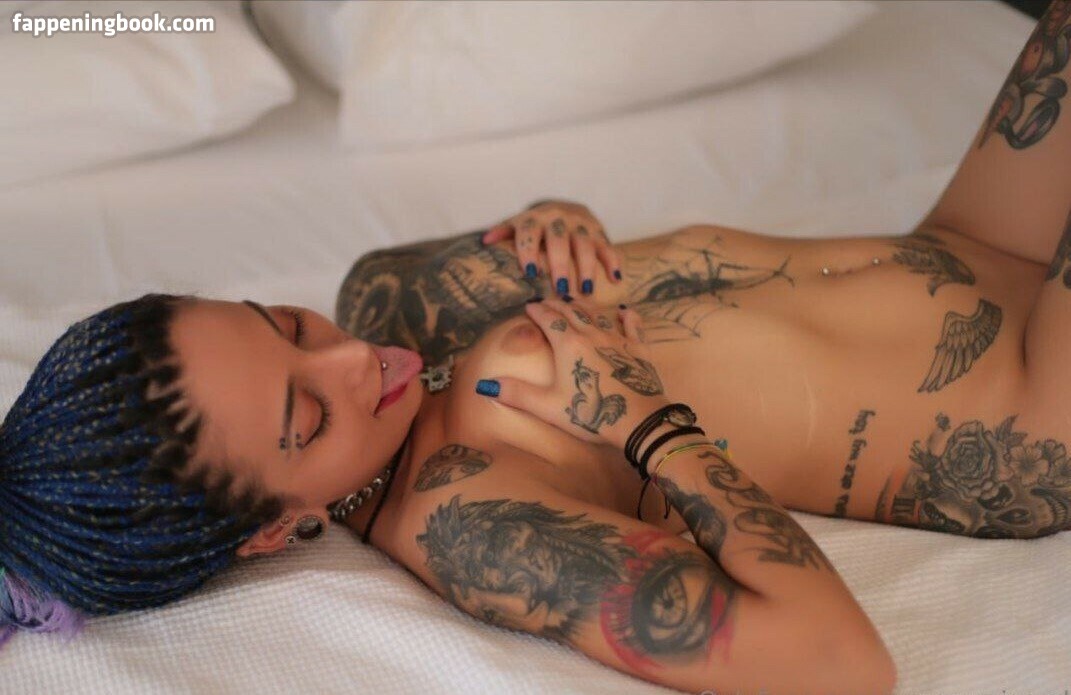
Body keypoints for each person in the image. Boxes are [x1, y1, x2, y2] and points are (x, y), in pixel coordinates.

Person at [2, 2, 1069, 691]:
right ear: (276, 529)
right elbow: (842, 664)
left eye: (284, 326)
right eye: (309, 415)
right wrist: (649, 422)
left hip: (964, 243)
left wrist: (558, 217)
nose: (352, 359)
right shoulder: (468, 519)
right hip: (1025, 407)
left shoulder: (382, 293)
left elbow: (573, 255)